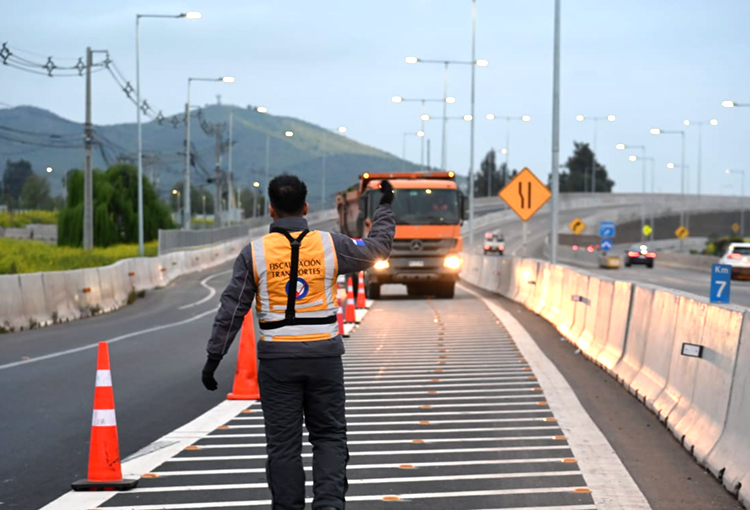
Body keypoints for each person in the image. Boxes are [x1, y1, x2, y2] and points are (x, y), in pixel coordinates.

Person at [202, 174, 395, 510]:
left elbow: (232, 310)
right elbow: (378, 250)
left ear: (270, 210)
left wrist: (214, 357)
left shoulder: (254, 254)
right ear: (305, 208)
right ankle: (330, 504)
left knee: (283, 446)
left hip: (277, 364)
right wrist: (386, 208)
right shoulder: (331, 245)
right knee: (329, 437)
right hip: (324, 359)